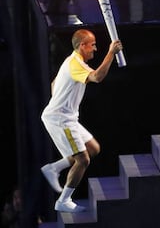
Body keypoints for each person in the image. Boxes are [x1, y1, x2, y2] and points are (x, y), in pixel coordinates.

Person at [40, 29, 123, 213]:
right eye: (92, 45)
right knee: (83, 160)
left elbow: (54, 83)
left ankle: (54, 168)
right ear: (82, 46)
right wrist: (111, 52)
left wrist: (61, 101)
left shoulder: (71, 61)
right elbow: (98, 77)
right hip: (61, 120)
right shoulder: (76, 64)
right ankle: (63, 201)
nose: (95, 48)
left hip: (67, 117)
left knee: (93, 148)